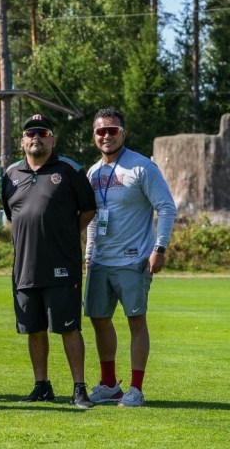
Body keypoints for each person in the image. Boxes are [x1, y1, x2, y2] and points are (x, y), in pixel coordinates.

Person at [83, 108, 176, 408]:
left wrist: (159, 248)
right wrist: (88, 255)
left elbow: (166, 207)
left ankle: (135, 388)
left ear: (124, 133)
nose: (107, 135)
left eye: (113, 130)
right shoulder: (93, 173)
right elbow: (94, 218)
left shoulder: (142, 167)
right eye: (101, 131)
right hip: (100, 261)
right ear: (94, 136)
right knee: (99, 320)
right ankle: (109, 384)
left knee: (136, 321)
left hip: (133, 260)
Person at [1, 115, 96, 409]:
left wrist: (64, 233)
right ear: (22, 141)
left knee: (68, 328)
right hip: (25, 268)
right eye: (30, 133)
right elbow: (11, 215)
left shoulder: (70, 169)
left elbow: (88, 210)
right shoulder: (10, 174)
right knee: (34, 329)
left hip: (62, 265)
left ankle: (79, 388)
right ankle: (42, 385)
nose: (36, 137)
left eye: (43, 133)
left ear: (52, 139)